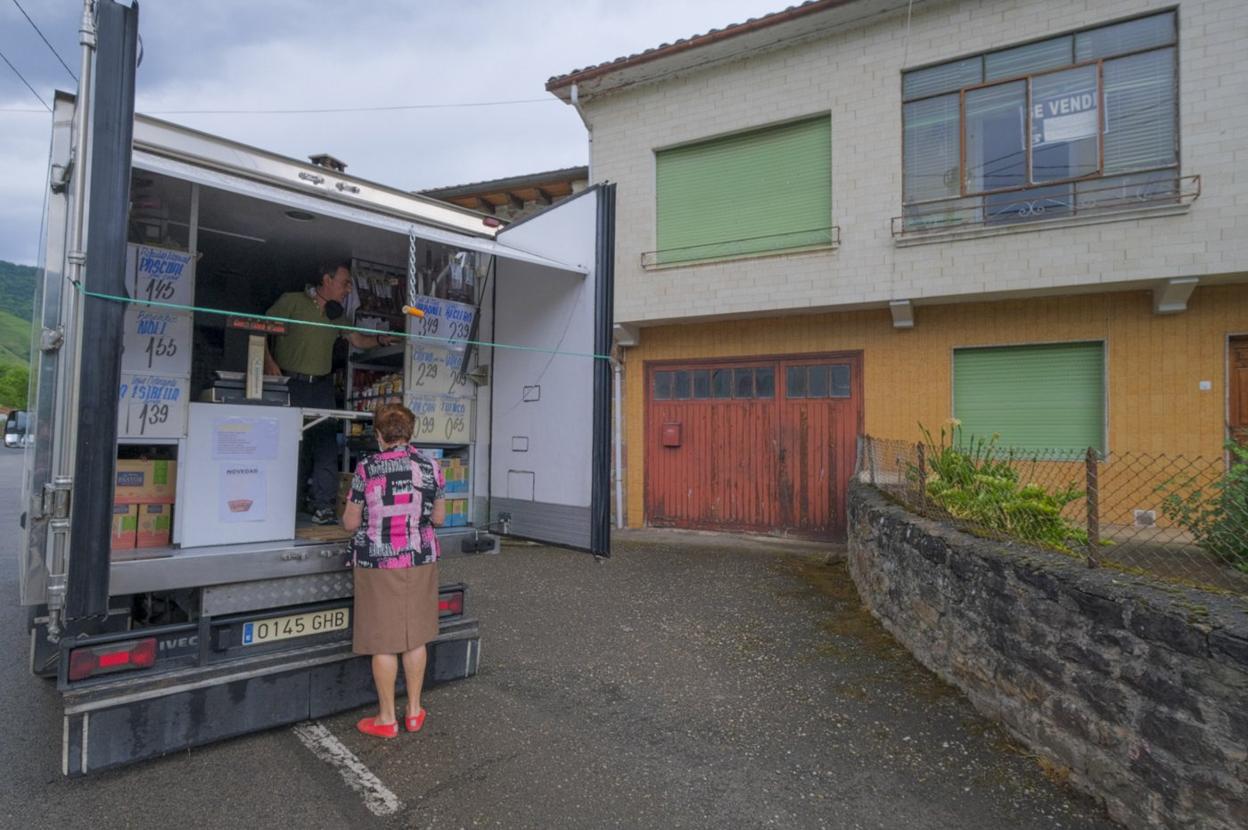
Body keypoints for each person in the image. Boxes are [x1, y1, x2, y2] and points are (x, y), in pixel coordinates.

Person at [342, 403, 445, 739]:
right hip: (420, 557)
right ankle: (414, 712)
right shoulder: (431, 466)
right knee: (415, 637)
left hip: (378, 561)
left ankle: (387, 719)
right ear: (410, 433)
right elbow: (440, 519)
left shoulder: (367, 467)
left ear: (378, 434)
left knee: (384, 643)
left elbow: (350, 522)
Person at [265, 261, 393, 524]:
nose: (348, 289)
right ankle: (283, 504)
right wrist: (268, 361)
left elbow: (357, 340)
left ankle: (322, 506)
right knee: (290, 445)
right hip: (291, 383)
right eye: (345, 282)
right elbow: (261, 328)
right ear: (327, 280)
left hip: (321, 386)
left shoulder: (336, 314)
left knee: (324, 445)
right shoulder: (291, 301)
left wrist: (380, 339)